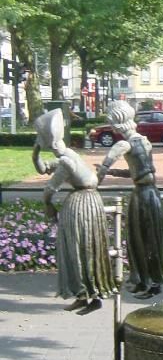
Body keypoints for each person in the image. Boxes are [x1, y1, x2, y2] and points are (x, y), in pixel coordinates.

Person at [33, 109, 115, 314]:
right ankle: (84, 295)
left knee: (79, 249)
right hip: (87, 202)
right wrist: (35, 153)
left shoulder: (66, 161)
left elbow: (50, 188)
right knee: (84, 248)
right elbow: (43, 169)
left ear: (50, 143)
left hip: (82, 205)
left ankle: (88, 294)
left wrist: (48, 205)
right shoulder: (69, 155)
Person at [96, 100, 163, 298]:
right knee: (146, 240)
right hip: (149, 193)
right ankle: (145, 281)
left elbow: (107, 162)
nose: (111, 126)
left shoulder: (125, 143)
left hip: (143, 195)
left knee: (141, 241)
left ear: (117, 121)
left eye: (112, 121)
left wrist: (98, 178)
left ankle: (150, 282)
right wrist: (114, 172)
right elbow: (140, 171)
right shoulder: (144, 140)